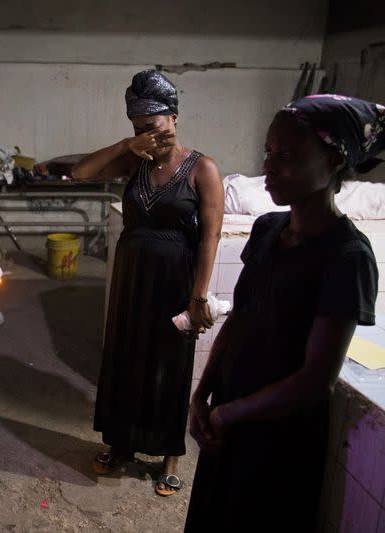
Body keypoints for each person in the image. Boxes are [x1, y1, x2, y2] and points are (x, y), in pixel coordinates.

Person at [185, 94, 383, 532]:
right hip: (230, 414)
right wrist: (204, 394)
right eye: (269, 152)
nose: (271, 166)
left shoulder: (346, 257)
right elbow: (239, 319)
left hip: (278, 437)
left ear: (332, 161)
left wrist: (231, 413)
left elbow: (316, 380)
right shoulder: (268, 228)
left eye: (288, 155)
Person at [72, 70, 224, 496]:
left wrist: (198, 296)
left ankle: (170, 455)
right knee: (126, 357)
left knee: (168, 366)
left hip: (175, 279)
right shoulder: (133, 160)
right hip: (132, 276)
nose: (146, 134)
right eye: (137, 127)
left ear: (173, 118)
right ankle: (122, 444)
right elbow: (80, 173)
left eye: (152, 125)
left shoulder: (202, 168)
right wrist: (126, 146)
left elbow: (210, 235)